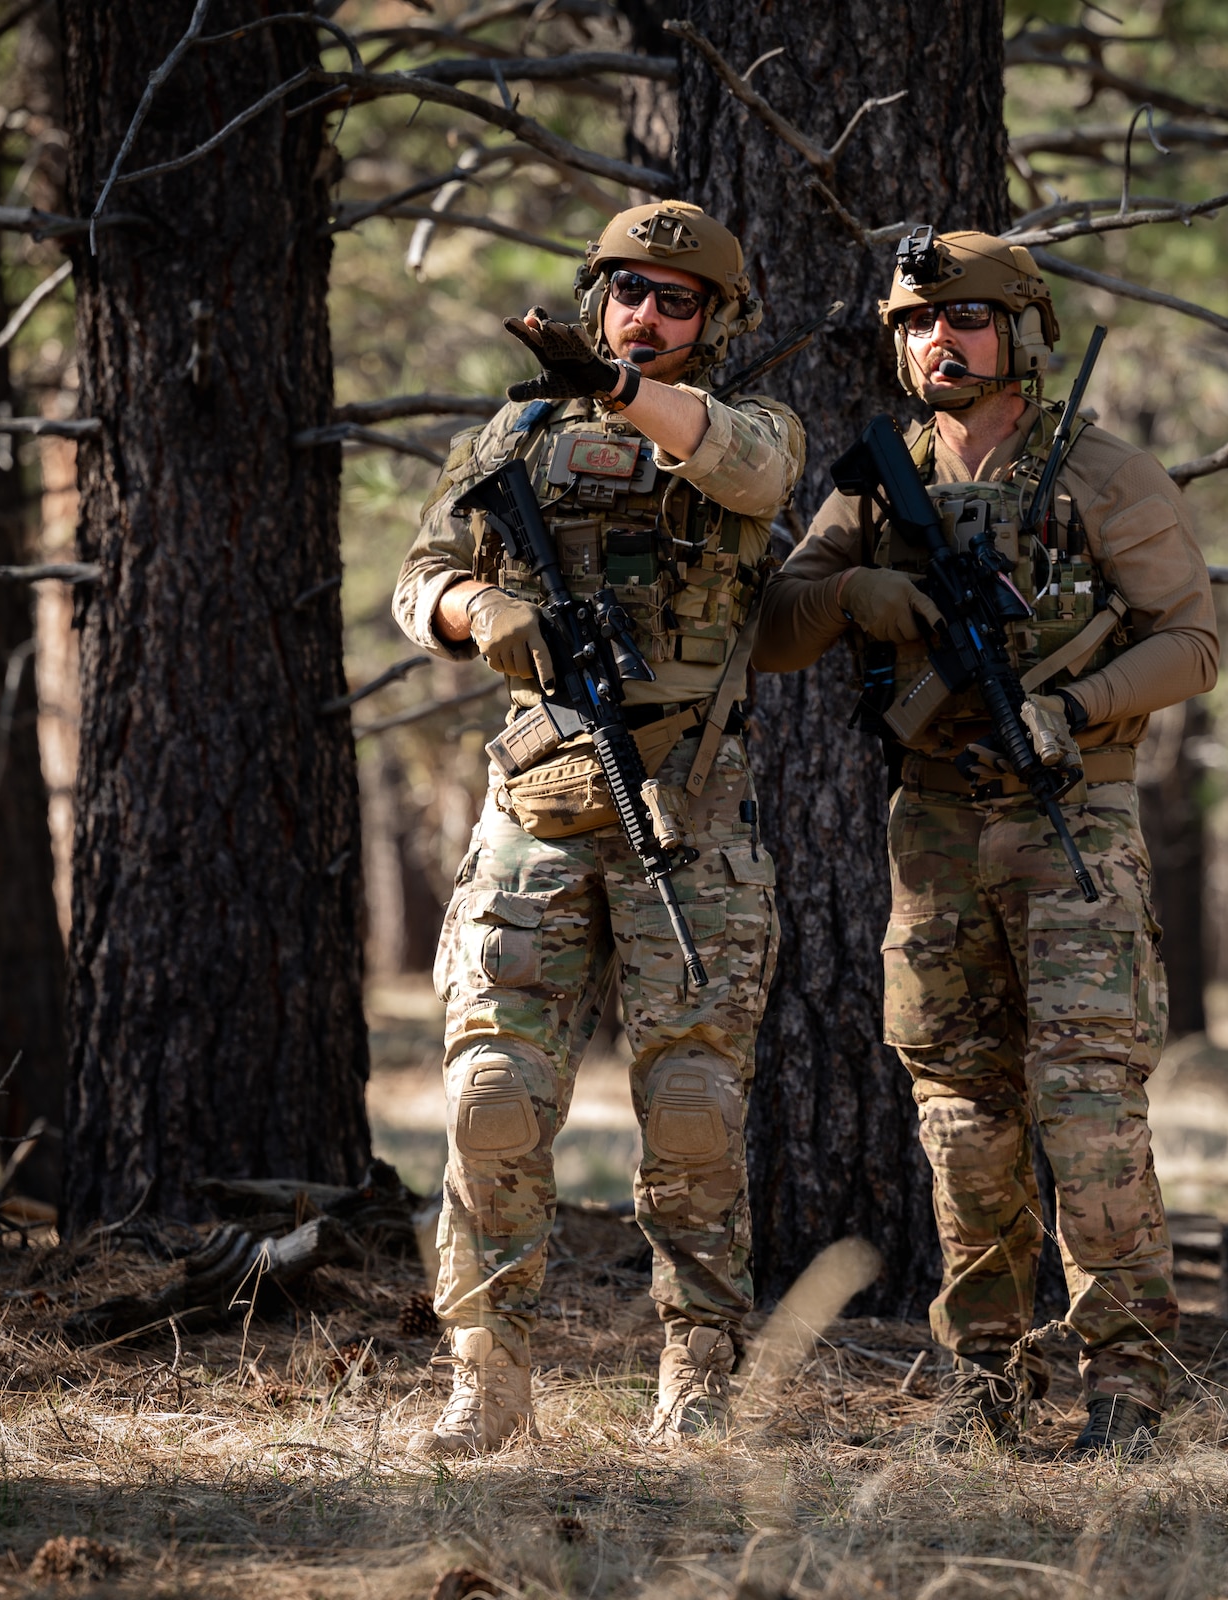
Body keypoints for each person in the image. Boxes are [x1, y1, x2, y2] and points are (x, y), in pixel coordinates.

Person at [753, 228, 1217, 1458]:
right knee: (961, 1122)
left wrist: (1070, 709)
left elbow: (1191, 642)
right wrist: (854, 593)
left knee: (1087, 1113)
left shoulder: (1105, 475)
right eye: (913, 322)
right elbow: (778, 628)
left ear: (1021, 331)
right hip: (935, 832)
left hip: (1071, 833)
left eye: (960, 318)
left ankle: (1129, 1395)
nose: (934, 341)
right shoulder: (871, 479)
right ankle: (987, 1391)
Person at [392, 201, 806, 1456]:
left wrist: (623, 392)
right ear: (595, 293)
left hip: (689, 815)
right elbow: (417, 576)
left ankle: (698, 1375)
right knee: (491, 1098)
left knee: (691, 1110)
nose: (646, 311)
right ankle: (488, 1380)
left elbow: (747, 473)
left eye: (676, 298)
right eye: (626, 287)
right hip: (538, 808)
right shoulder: (514, 432)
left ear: (716, 320)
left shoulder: (748, 429)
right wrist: (474, 610)